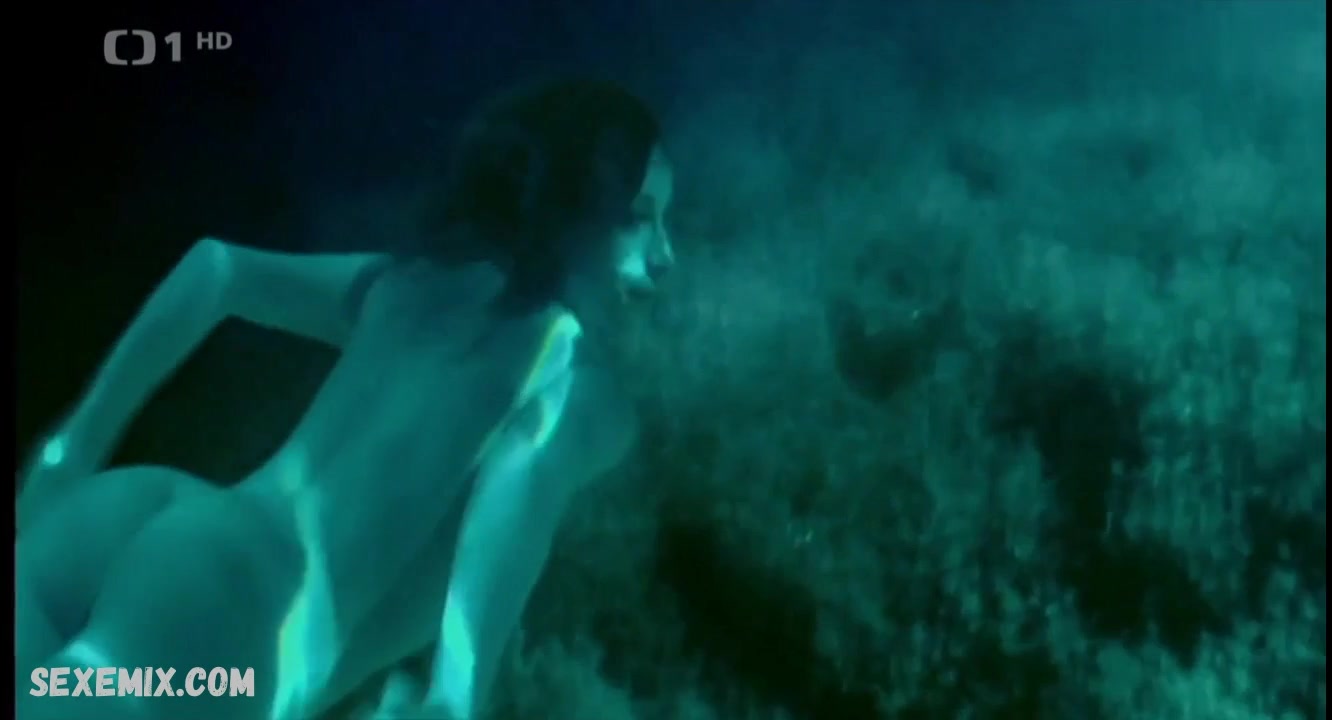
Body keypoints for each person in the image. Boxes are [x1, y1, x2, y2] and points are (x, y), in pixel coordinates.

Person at [16, 77, 677, 720]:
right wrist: (457, 694)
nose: (665, 255)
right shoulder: (570, 371)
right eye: (640, 218)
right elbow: (524, 474)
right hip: (236, 614)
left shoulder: (408, 283)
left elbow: (219, 268)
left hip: (136, 518)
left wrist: (71, 452)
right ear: (578, 211)